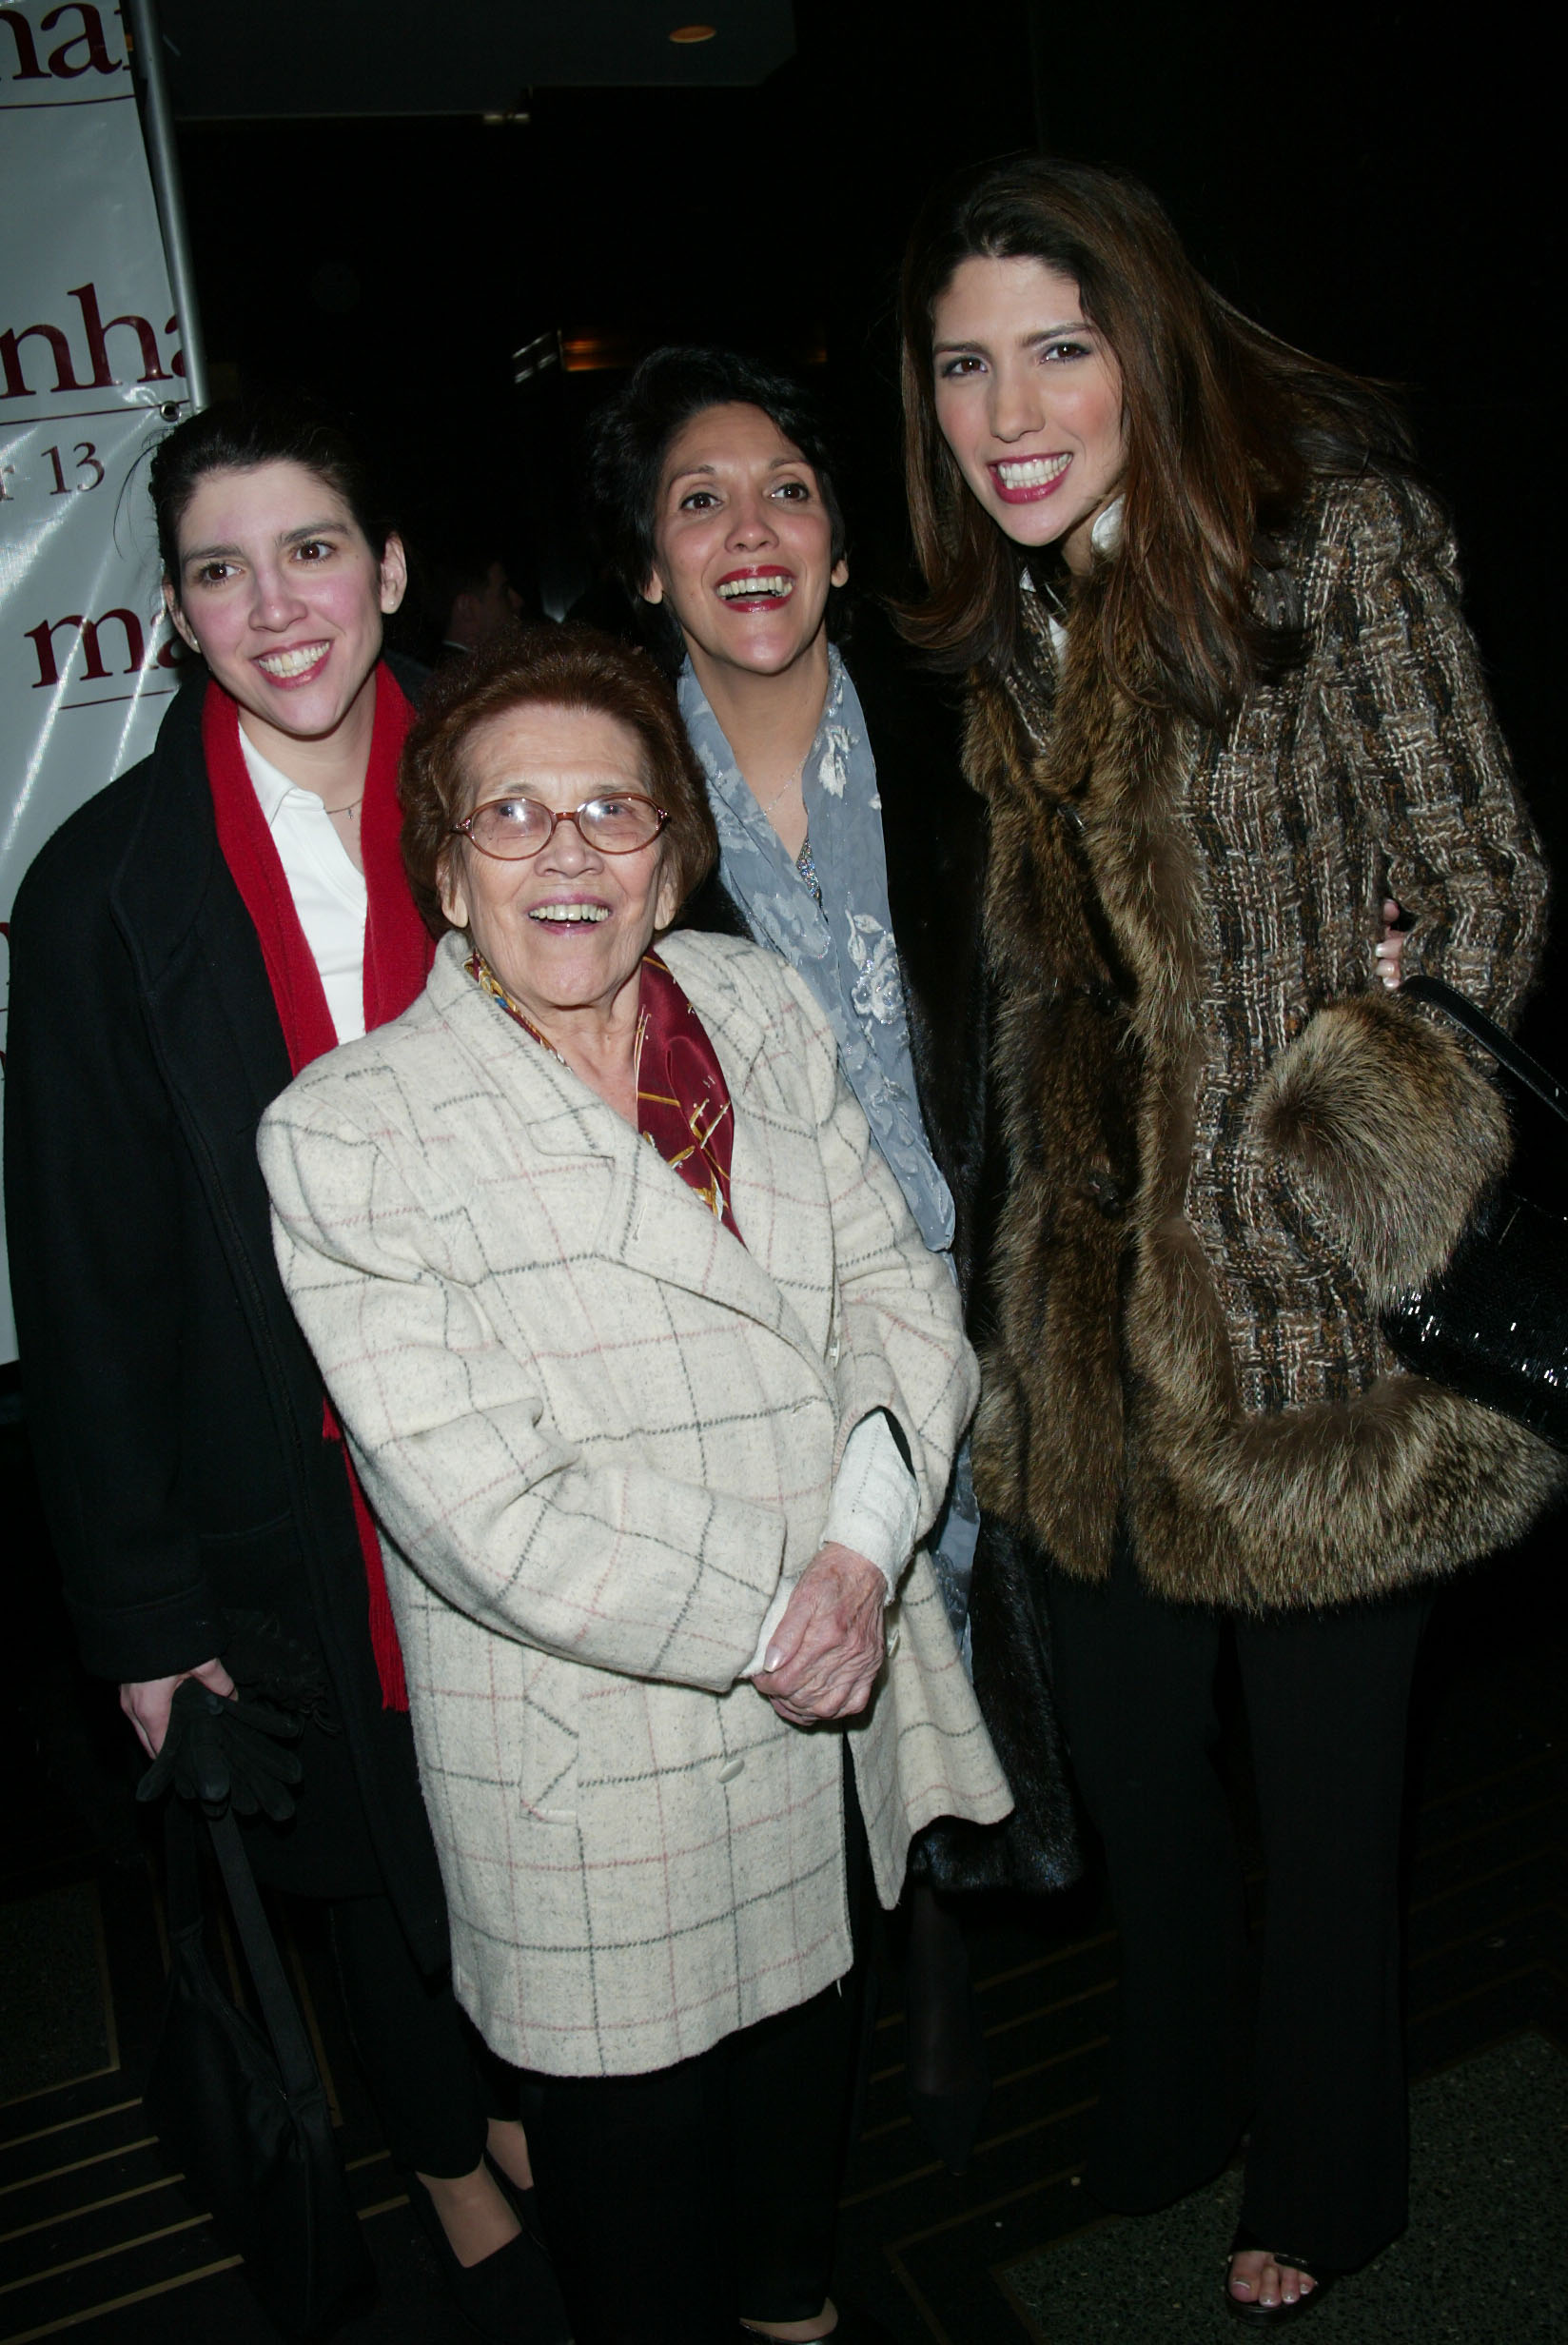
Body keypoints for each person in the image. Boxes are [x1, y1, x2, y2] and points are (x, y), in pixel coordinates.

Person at [895, 156, 1559, 2320]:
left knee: (1322, 1785)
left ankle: (1329, 2160)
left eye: (1057, 349)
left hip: (1311, 1315)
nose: (1007, 405)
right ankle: (1171, 2089)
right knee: (1138, 1766)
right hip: (1093, 1321)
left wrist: (1322, 1160)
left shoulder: (1325, 544)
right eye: (964, 362)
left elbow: (1479, 876)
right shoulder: (1007, 616)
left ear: (1147, 349)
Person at [256, 626, 1013, 2345]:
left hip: (821, 1713)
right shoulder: (348, 1133)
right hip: (599, 1772)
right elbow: (482, 1514)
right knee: (644, 2265)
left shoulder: (758, 1004)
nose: (571, 853)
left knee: (793, 2230)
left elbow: (904, 1299)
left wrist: (863, 1550)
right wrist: (790, 1609)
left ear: (674, 861)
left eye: (614, 813)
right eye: (511, 818)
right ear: (447, 874)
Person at [3, 401, 565, 2342]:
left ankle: (534, 2127)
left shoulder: (529, 785)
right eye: (221, 568)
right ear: (174, 613)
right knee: (362, 1881)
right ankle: (453, 2187)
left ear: (389, 565)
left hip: (550, 1449)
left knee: (540, 1841)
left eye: (312, 548)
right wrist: (145, 1625)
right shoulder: (99, 895)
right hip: (281, 1492)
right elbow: (86, 1294)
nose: (277, 603)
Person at [583, 346, 1080, 2177]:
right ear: (646, 567)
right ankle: (900, 1944)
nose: (751, 529)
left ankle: (955, 1920)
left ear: (846, 539)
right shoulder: (620, 806)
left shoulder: (981, 734)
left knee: (1041, 1681)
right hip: (782, 1334)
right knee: (833, 1670)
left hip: (1019, 1300)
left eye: (788, 487)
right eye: (698, 501)